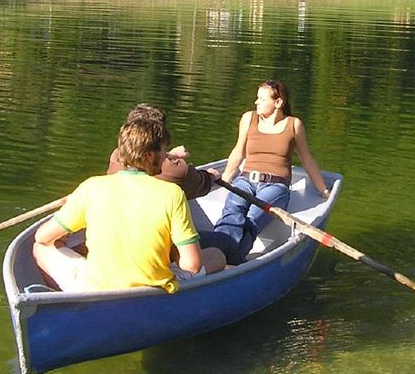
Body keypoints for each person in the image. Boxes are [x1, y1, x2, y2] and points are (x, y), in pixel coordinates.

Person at [33, 118, 226, 292]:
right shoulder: (172, 193)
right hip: (152, 288)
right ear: (150, 156)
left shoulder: (91, 186)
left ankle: (66, 301)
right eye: (163, 151)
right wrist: (171, 256)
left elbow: (42, 237)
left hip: (94, 287)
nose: (166, 156)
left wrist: (66, 228)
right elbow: (192, 264)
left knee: (40, 247)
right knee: (217, 256)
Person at [201, 79, 330, 266]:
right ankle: (219, 254)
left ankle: (228, 259)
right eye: (257, 98)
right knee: (232, 212)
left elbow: (307, 159)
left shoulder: (294, 125)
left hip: (276, 185)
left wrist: (323, 190)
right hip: (245, 180)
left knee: (252, 219)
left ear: (278, 103)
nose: (256, 102)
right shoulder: (248, 118)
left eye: (261, 99)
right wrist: (226, 179)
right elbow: (238, 152)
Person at [106, 103, 214, 200]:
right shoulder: (176, 171)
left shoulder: (116, 155)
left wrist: (170, 155)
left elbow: (143, 157)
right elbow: (202, 185)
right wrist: (213, 176)